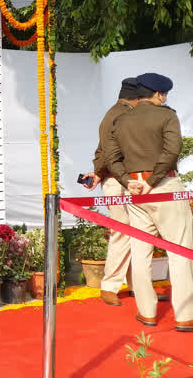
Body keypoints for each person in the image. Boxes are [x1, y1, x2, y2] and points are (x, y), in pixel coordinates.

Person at [105, 72, 193, 331]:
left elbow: (112, 156)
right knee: (179, 251)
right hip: (163, 185)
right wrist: (153, 181)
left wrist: (126, 180)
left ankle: (147, 313)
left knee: (140, 252)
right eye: (164, 94)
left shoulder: (120, 120)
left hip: (134, 190)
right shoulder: (167, 115)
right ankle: (185, 315)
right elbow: (172, 151)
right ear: (157, 94)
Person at [80, 78, 149, 306]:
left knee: (135, 232)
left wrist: (97, 172)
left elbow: (103, 150)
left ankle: (138, 286)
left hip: (120, 179)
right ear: (136, 98)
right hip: (120, 180)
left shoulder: (114, 113)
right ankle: (109, 286)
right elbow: (111, 152)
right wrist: (100, 172)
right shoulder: (122, 115)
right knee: (124, 232)